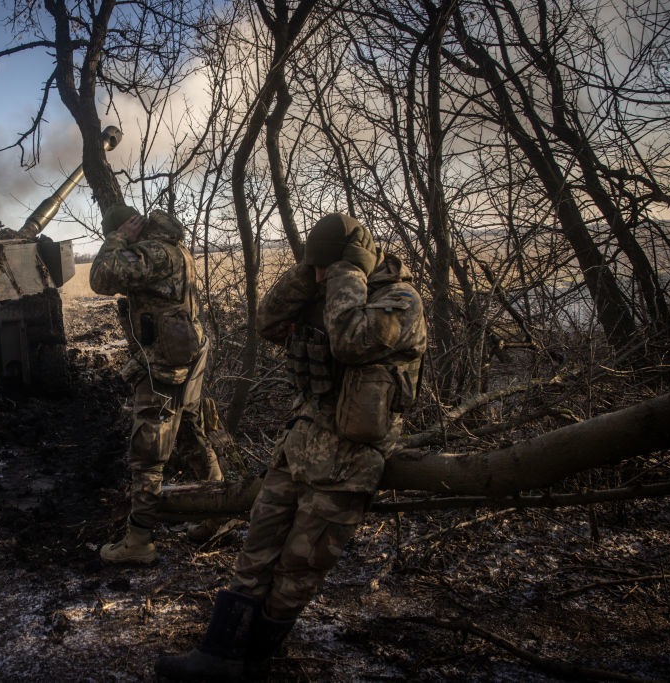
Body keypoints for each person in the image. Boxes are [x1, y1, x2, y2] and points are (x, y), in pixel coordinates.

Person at [156, 213, 427, 680]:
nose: (319, 276)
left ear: (352, 265)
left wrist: (345, 274)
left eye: (325, 268)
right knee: (254, 552)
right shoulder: (326, 290)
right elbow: (267, 321)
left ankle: (256, 662)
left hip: (348, 464)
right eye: (316, 268)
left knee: (299, 568)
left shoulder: (400, 302)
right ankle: (218, 655)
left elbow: (348, 341)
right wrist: (309, 271)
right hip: (299, 447)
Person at [90, 204, 224, 564]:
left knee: (147, 449)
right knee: (191, 435)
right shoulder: (171, 246)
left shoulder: (155, 252)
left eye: (116, 234)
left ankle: (139, 541)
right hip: (184, 355)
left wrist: (118, 239)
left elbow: (101, 278)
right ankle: (218, 515)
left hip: (167, 364)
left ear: (131, 228)